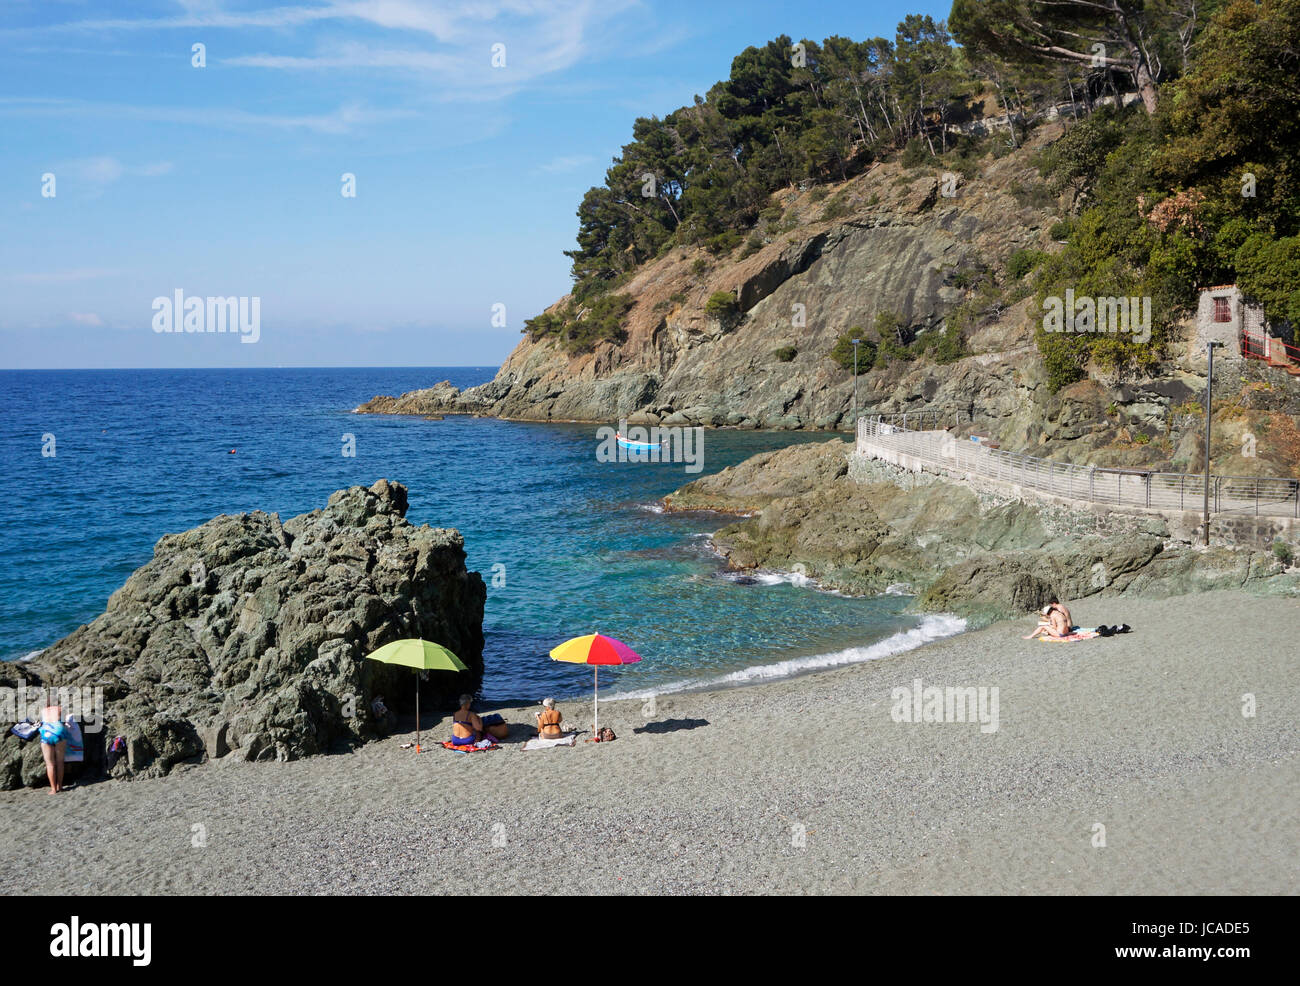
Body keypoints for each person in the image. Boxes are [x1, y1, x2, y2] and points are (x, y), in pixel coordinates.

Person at [39, 704, 67, 794]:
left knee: (49, 764)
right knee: (60, 762)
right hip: (58, 730)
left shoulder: (43, 710)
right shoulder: (60, 708)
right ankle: (60, 786)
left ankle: (53, 789)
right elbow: (64, 722)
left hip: (46, 731)